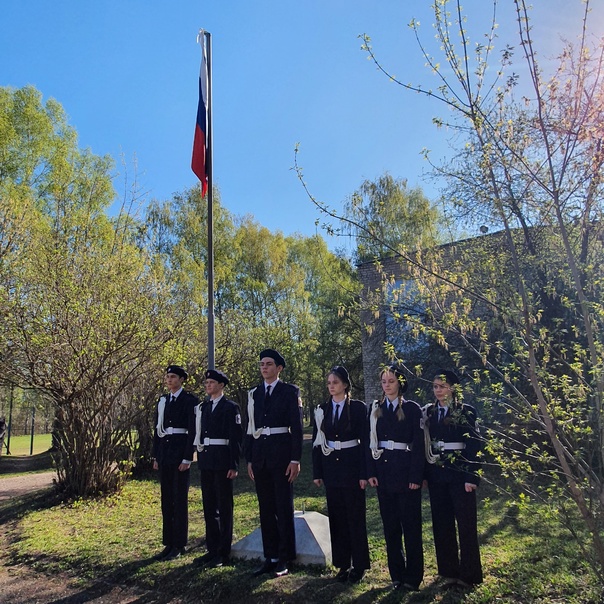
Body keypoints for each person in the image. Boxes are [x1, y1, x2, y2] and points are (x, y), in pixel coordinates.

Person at [245, 348, 303, 578]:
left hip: (281, 455)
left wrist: (295, 459)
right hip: (260, 457)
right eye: (262, 364)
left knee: (283, 506)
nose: (264, 368)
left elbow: (297, 429)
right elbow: (249, 428)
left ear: (278, 368)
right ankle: (270, 556)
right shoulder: (255, 394)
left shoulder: (289, 392)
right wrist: (249, 459)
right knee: (266, 508)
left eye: (269, 364)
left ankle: (285, 557)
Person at [367, 365, 425, 591]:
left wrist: (416, 476)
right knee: (390, 527)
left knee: (410, 527)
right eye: (384, 381)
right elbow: (370, 441)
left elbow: (419, 445)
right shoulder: (376, 409)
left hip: (406, 474)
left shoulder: (412, 409)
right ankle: (397, 574)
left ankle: (413, 576)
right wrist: (371, 472)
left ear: (399, 383)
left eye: (391, 381)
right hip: (383, 474)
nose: (387, 385)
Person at [423, 369, 483, 588]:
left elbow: (475, 445)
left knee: (466, 525)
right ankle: (448, 571)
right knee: (442, 524)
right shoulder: (429, 412)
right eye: (435, 386)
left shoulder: (466, 411)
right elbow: (425, 444)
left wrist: (472, 476)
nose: (438, 391)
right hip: (437, 474)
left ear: (453, 388)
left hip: (460, 474)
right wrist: (425, 475)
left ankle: (469, 575)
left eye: (442, 386)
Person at [312, 366, 370, 583]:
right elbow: (318, 442)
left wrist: (364, 473)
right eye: (328, 383)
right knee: (337, 519)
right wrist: (318, 472)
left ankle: (360, 564)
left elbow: (365, 442)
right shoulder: (322, 409)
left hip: (352, 468)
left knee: (355, 517)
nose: (331, 386)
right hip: (331, 469)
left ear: (345, 385)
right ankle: (343, 564)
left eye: (335, 382)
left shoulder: (357, 408)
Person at [193, 369, 243, 569]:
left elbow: (236, 438)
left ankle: (224, 551)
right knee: (209, 506)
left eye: (212, 382)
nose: (208, 385)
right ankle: (212, 549)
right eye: (206, 383)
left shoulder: (231, 407)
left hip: (223, 460)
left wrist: (233, 464)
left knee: (224, 506)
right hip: (207, 460)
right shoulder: (203, 407)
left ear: (221, 385)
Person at [152, 365, 199, 560]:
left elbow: (192, 431)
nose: (169, 380)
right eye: (167, 377)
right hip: (165, 454)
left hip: (180, 454)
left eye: (173, 377)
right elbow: (157, 429)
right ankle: (168, 542)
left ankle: (179, 544)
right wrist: (155, 455)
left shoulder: (189, 400)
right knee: (166, 500)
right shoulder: (163, 401)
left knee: (179, 500)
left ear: (181, 380)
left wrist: (188, 457)